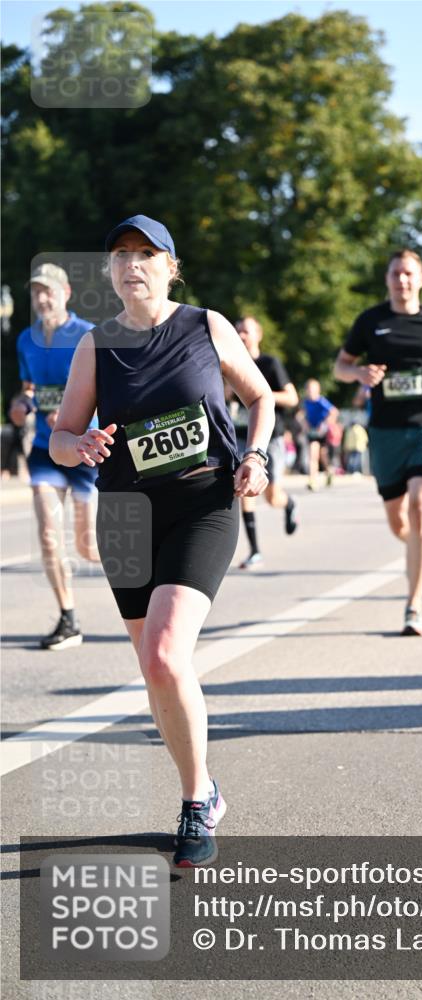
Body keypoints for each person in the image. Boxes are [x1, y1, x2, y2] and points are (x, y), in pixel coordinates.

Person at [49, 215, 274, 867]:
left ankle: (197, 797)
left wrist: (256, 458)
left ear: (170, 266)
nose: (131, 264)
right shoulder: (97, 346)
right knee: (153, 668)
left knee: (166, 655)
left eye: (145, 253)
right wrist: (78, 445)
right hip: (125, 515)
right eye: (120, 254)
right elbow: (61, 438)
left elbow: (259, 398)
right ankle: (201, 781)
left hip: (202, 504)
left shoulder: (206, 326)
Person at [334, 248, 422, 635]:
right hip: (385, 431)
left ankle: (414, 605)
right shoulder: (371, 321)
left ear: (421, 278)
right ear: (388, 279)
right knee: (399, 521)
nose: (402, 280)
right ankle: (418, 548)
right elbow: (339, 367)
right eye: (395, 274)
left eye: (409, 273)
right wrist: (359, 373)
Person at [9, 263, 99, 649]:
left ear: (66, 294)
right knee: (48, 534)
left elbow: (107, 391)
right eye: (36, 292)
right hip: (46, 449)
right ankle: (68, 618)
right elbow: (29, 389)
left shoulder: (87, 336)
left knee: (87, 547)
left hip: (84, 449)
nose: (42, 298)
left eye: (48, 291)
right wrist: (20, 405)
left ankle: (151, 569)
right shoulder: (27, 340)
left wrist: (75, 414)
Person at [233, 316, 299, 569]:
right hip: (239, 435)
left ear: (258, 335)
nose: (241, 336)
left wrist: (256, 393)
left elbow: (292, 398)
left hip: (270, 436)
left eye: (246, 331)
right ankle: (255, 550)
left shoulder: (269, 363)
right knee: (243, 489)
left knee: (272, 497)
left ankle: (288, 503)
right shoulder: (229, 364)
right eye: (237, 331)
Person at [299, 378, 338, 490]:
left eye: (313, 390)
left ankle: (329, 472)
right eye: (309, 390)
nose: (310, 392)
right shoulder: (305, 402)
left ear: (318, 390)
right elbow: (300, 414)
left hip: (322, 432)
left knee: (323, 456)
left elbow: (334, 412)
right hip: (312, 432)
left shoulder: (321, 401)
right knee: (313, 454)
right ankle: (312, 480)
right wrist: (304, 423)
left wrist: (324, 424)